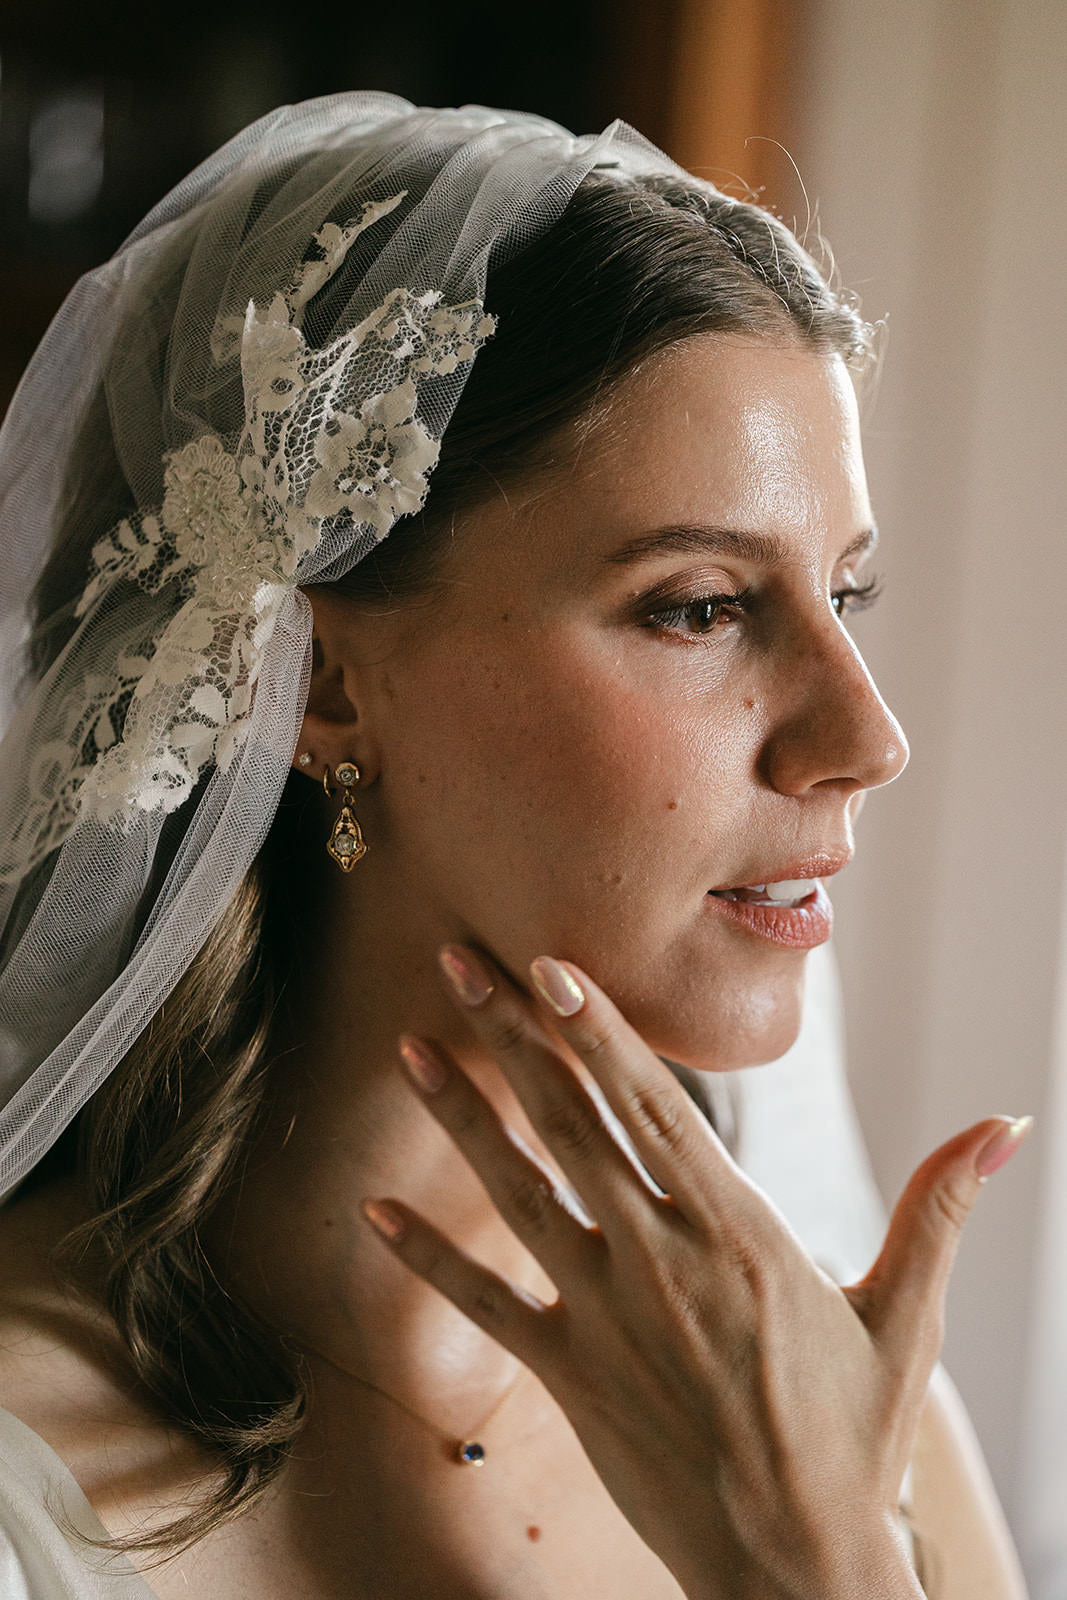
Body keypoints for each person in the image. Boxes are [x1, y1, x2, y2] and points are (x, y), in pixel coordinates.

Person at [0, 92, 1032, 1599]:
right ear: (330, 681)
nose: (867, 743)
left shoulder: (833, 1416)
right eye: (701, 606)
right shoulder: (30, 1474)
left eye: (846, 597)